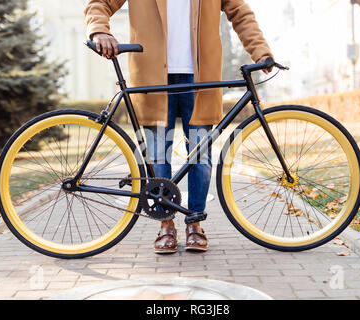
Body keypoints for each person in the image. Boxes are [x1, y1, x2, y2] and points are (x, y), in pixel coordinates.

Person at [84, 0, 273, 254]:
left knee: (200, 153)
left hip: (201, 77)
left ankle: (195, 222)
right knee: (158, 154)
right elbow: (100, 3)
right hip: (152, 74)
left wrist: (260, 51)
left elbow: (239, 11)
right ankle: (165, 224)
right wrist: (99, 30)